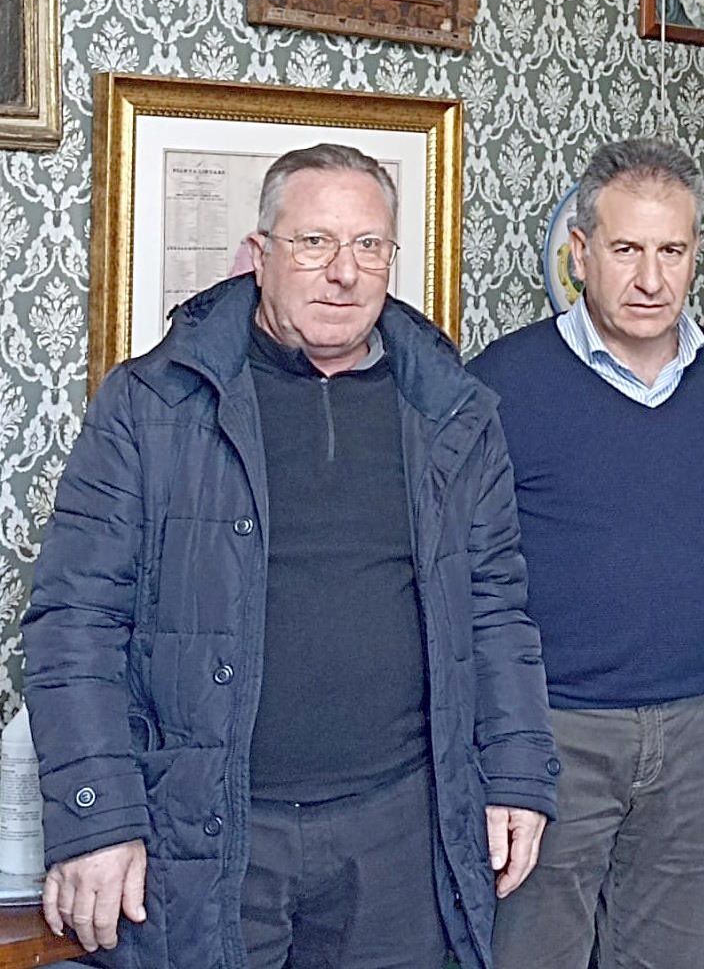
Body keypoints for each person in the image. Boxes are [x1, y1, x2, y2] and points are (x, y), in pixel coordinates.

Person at [23, 143, 557, 969]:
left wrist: (518, 772)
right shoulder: (152, 402)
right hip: (210, 828)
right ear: (259, 254)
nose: (343, 272)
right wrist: (98, 819)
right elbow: (75, 622)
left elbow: (494, 607)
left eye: (369, 245)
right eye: (314, 243)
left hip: (398, 831)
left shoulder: (451, 411)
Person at [468, 137, 704, 969]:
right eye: (627, 249)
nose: (651, 278)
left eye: (672, 251)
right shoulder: (504, 380)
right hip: (553, 728)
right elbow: (463, 571)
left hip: (690, 723)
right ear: (580, 251)